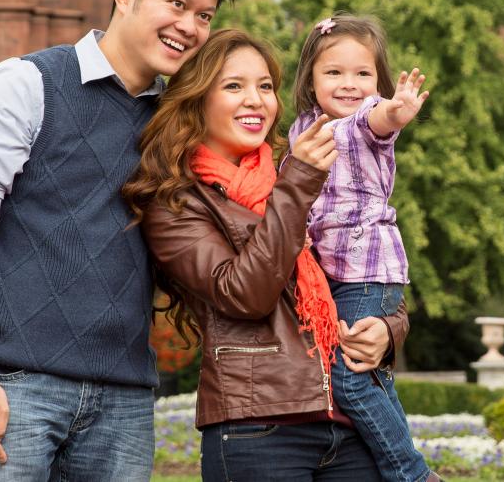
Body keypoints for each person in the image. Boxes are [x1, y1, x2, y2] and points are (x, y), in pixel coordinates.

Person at [0, 0, 236, 479]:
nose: (190, 27)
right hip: (14, 387)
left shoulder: (175, 122)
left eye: (205, 16)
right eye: (178, 4)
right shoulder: (27, 84)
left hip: (124, 400)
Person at [126, 29, 412, 481]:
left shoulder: (294, 164)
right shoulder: (177, 202)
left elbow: (358, 270)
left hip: (349, 425)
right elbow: (245, 296)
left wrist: (389, 330)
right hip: (259, 428)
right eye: (234, 86)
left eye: (265, 86)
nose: (256, 100)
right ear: (199, 98)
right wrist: (296, 185)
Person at [285, 13, 434, 482]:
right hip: (332, 274)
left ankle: (410, 474)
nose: (349, 84)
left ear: (377, 81)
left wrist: (396, 109)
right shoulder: (302, 128)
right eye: (334, 72)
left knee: (350, 378)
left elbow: (379, 120)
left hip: (367, 267)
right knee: (367, 375)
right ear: (310, 79)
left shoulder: (361, 124)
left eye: (362, 73)